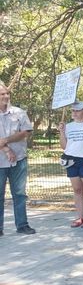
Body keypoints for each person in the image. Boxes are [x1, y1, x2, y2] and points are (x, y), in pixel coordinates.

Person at [0, 82, 35, 236]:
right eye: (2, 94)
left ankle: (22, 225)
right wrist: (6, 149)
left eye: (7, 93)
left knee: (19, 194)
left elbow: (25, 132)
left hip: (19, 160)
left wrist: (5, 140)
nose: (6, 96)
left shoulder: (19, 112)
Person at [58, 102, 83, 228]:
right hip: (71, 159)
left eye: (78, 110)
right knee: (77, 189)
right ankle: (80, 216)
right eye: (73, 111)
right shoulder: (68, 126)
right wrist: (61, 132)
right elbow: (64, 146)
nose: (74, 113)